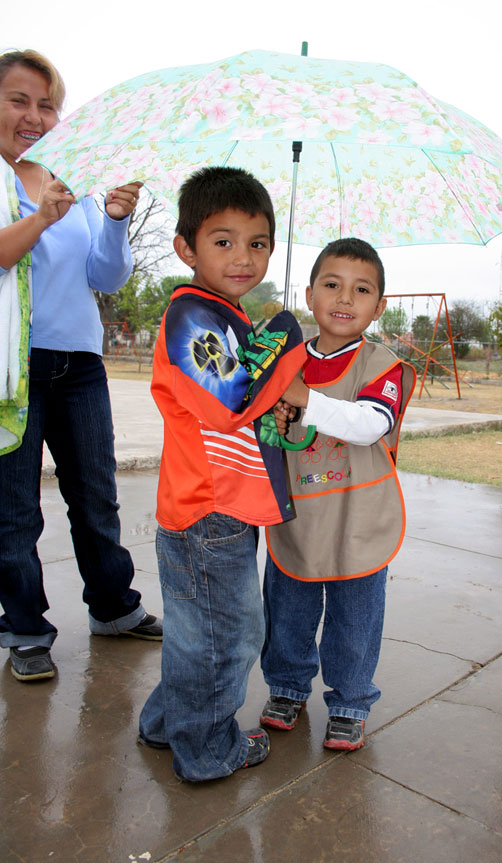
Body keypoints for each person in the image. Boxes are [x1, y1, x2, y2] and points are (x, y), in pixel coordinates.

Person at [138, 166, 306, 782]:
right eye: (224, 241)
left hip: (218, 505)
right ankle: (208, 749)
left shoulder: (222, 313)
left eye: (258, 242)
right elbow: (230, 399)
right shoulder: (191, 315)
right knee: (224, 638)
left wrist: (271, 367)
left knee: (198, 630)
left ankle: (167, 722)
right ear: (187, 248)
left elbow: (245, 402)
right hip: (209, 510)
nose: (244, 257)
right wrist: (287, 340)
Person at [0, 49, 162, 684]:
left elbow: (106, 273)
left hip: (80, 363)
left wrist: (115, 218)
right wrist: (41, 217)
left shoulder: (74, 178)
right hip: (12, 369)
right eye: (19, 100)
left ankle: (114, 608)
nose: (35, 116)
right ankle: (26, 628)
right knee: (14, 507)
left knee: (95, 495)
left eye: (47, 104)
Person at [260, 238, 415, 750]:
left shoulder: (381, 365)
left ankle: (350, 701)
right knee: (287, 607)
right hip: (300, 513)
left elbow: (371, 424)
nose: (345, 298)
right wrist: (277, 411)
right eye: (332, 284)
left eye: (361, 289)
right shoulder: (285, 361)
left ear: (379, 306)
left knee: (355, 615)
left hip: (360, 515)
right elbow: (264, 426)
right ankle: (285, 686)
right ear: (309, 294)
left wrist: (305, 398)